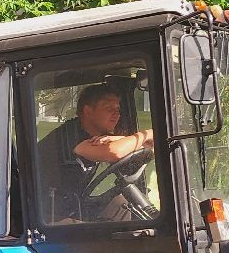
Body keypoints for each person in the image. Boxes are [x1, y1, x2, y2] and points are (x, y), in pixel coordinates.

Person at [37, 82, 154, 221]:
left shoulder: (96, 136)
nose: (116, 114)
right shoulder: (71, 135)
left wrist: (120, 138)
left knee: (121, 204)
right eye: (109, 108)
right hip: (46, 217)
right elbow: (114, 152)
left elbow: (149, 146)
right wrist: (148, 133)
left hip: (72, 206)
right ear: (88, 111)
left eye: (118, 108)